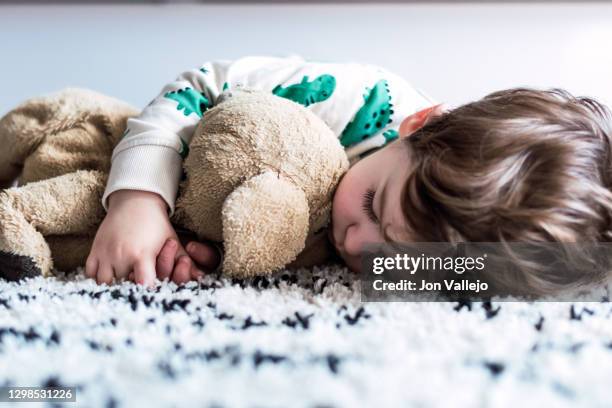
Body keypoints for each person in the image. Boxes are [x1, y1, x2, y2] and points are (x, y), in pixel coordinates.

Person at [85, 55, 612, 296]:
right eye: (373, 206)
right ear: (417, 125)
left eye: (402, 264)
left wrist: (223, 249)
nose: (358, 246)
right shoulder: (362, 101)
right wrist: (139, 200)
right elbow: (199, 86)